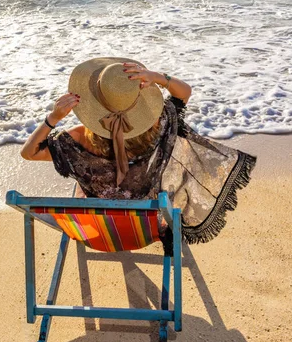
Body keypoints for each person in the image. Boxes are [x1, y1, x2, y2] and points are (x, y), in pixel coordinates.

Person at [21, 57, 256, 245]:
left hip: (95, 233)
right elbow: (184, 92)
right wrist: (159, 78)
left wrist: (53, 118)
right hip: (144, 231)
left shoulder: (76, 140)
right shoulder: (160, 125)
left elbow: (29, 153)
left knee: (80, 186)